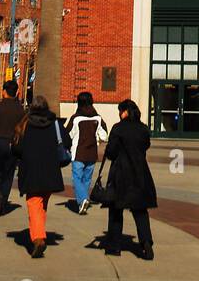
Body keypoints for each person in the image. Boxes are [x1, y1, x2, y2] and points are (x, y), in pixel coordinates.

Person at [100, 99, 157, 260]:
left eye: (120, 111)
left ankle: (114, 246)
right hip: (140, 173)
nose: (119, 114)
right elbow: (145, 146)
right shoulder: (143, 129)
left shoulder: (118, 129)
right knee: (140, 210)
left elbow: (111, 152)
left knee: (116, 211)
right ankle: (146, 242)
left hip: (121, 173)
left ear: (125, 112)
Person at [15, 93, 65, 257]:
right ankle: (39, 232)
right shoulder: (55, 124)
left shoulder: (25, 124)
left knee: (33, 203)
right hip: (50, 171)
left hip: (31, 170)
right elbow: (67, 142)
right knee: (41, 204)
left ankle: (38, 238)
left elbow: (17, 149)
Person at [0, 78, 24, 216]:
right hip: (13, 145)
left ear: (4, 92)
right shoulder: (20, 110)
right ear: (16, 92)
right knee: (8, 175)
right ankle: (2, 200)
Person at [63, 91, 108, 215]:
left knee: (77, 178)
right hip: (92, 153)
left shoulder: (76, 118)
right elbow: (104, 136)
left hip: (78, 153)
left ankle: (83, 199)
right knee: (86, 179)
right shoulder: (98, 118)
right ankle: (83, 202)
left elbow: (68, 135)